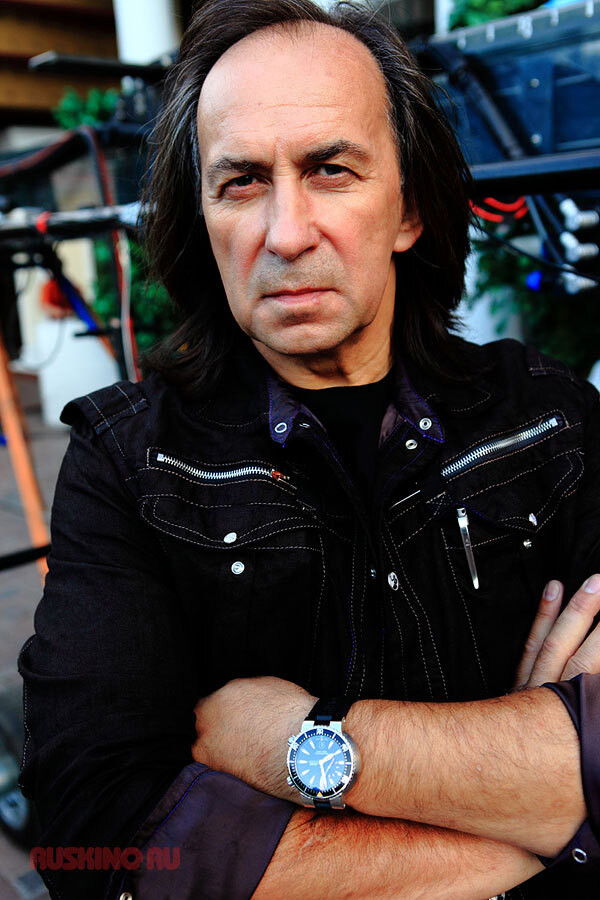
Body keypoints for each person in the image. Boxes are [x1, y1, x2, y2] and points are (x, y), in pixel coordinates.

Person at [17, 1, 600, 898]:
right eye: (242, 182)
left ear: (409, 208)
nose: (286, 233)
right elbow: (91, 844)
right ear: (203, 218)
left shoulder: (548, 420)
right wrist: (535, 820)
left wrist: (285, 740)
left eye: (331, 170)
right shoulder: (131, 464)